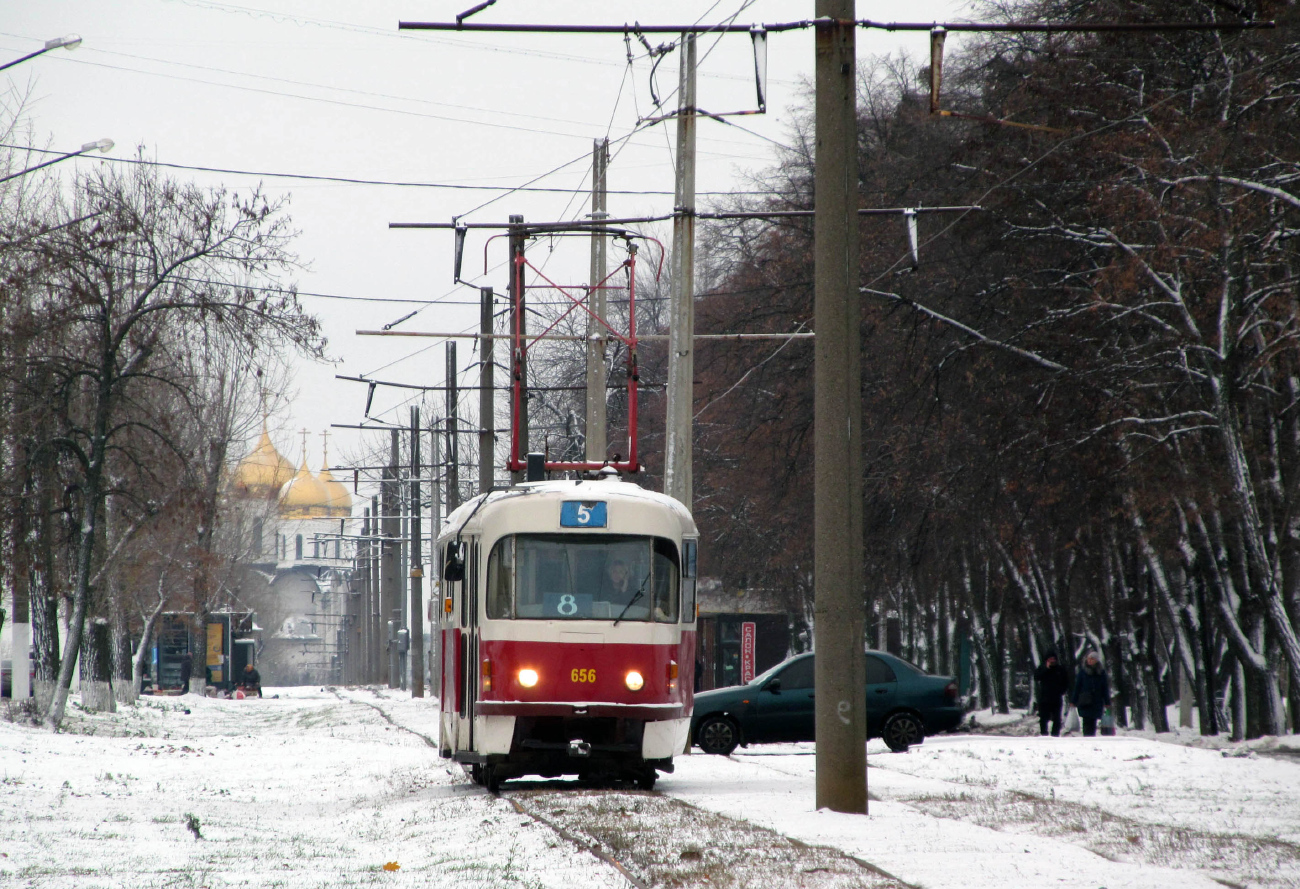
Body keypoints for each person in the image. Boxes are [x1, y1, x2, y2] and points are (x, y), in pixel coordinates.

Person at [1071, 651, 1111, 737]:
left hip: (1096, 701)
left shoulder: (1101, 672)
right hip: (1085, 700)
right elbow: (1077, 687)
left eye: (1092, 659)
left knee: (1093, 721)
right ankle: (1087, 738)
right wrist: (1073, 700)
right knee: (1086, 720)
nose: (1090, 660)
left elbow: (1104, 688)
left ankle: (1091, 738)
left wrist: (1107, 702)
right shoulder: (1083, 672)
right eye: (1089, 658)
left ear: (1096, 660)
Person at [1033, 652, 1070, 736]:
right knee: (1043, 717)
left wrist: (1061, 691)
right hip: (1044, 697)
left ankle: (1055, 734)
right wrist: (1046, 668)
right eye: (1050, 659)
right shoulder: (1042, 668)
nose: (1052, 661)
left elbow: (1066, 682)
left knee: (1057, 718)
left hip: (1056, 697)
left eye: (1053, 659)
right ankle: (1044, 734)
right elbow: (1036, 677)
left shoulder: (1060, 670)